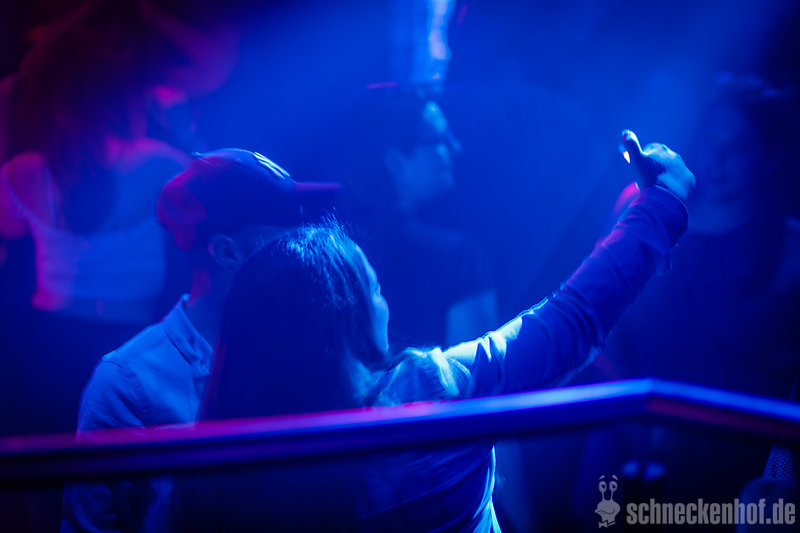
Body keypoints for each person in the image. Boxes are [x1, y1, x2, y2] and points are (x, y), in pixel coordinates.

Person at [172, 130, 694, 531]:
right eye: (375, 289)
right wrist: (663, 202)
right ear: (347, 318)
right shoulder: (428, 398)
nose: (385, 303)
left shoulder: (217, 460)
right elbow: (572, 319)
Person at [61, 149, 340, 532]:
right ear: (228, 252)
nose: (305, 244)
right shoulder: (128, 383)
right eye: (286, 232)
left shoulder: (313, 344)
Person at [333, 84, 497, 348]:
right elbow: (475, 371)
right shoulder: (459, 259)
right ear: (395, 162)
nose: (455, 147)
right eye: (439, 139)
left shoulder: (324, 250)